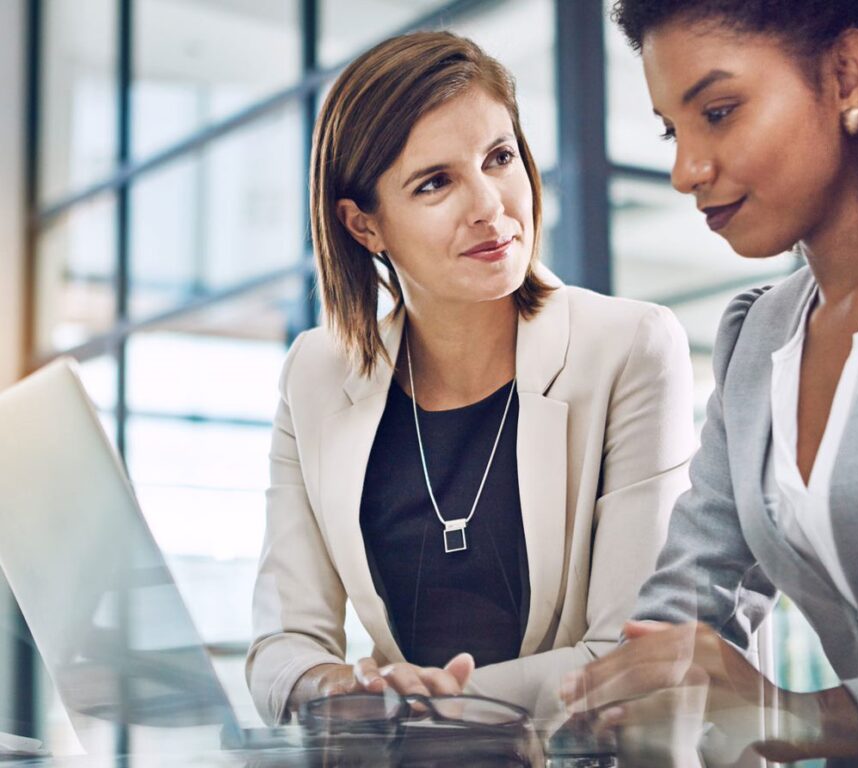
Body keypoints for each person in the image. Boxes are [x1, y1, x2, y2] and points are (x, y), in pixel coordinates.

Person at [559, 1, 858, 766]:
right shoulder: (759, 339)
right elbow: (683, 603)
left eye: (719, 111)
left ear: (847, 74)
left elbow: (784, 716)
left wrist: (805, 717)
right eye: (673, 131)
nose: (686, 172)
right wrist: (610, 702)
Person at [245, 31, 696, 726]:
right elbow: (282, 647)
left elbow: (622, 660)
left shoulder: (629, 348)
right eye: (435, 182)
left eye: (499, 158)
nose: (489, 205)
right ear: (365, 227)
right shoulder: (315, 374)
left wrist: (423, 709)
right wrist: (339, 689)